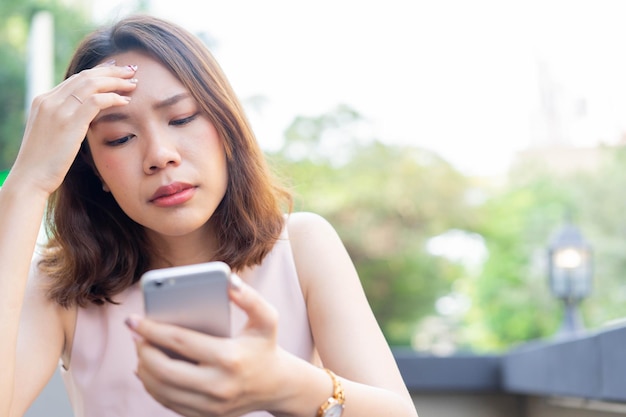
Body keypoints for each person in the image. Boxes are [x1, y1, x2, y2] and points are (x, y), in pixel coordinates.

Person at [0, 14, 418, 417]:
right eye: (120, 137)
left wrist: (287, 385)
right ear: (93, 169)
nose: (160, 155)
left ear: (226, 126)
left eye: (181, 118)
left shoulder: (301, 247)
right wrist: (26, 185)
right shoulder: (62, 285)